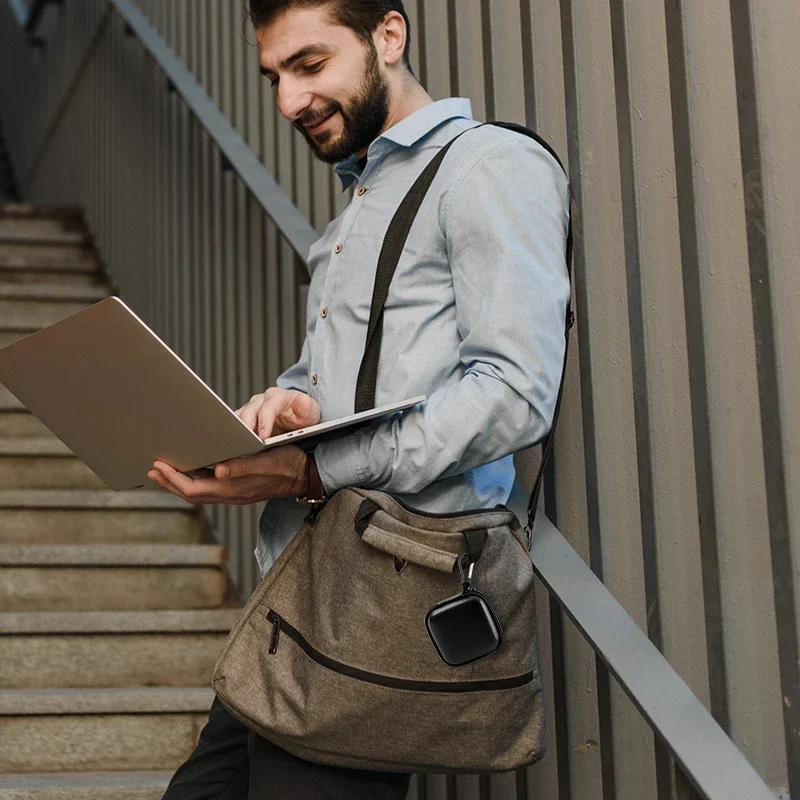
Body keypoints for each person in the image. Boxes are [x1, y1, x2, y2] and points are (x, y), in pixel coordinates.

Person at [150, 0, 571, 797]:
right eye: (273, 77)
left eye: (309, 66)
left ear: (389, 36)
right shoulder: (360, 202)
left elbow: (514, 395)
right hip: (299, 599)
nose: (288, 101)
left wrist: (312, 470)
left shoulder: (488, 167)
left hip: (379, 601)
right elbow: (335, 381)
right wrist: (286, 409)